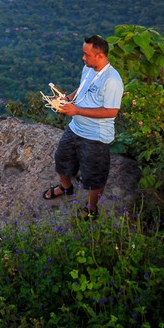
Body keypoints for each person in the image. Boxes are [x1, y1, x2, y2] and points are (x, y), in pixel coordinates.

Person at [42, 35, 124, 218]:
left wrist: (77, 110)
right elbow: (82, 88)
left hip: (96, 135)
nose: (83, 58)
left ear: (100, 56)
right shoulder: (88, 69)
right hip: (75, 128)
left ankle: (92, 208)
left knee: (95, 175)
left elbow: (111, 112)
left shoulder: (112, 80)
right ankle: (66, 188)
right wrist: (67, 99)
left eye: (86, 55)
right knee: (61, 159)